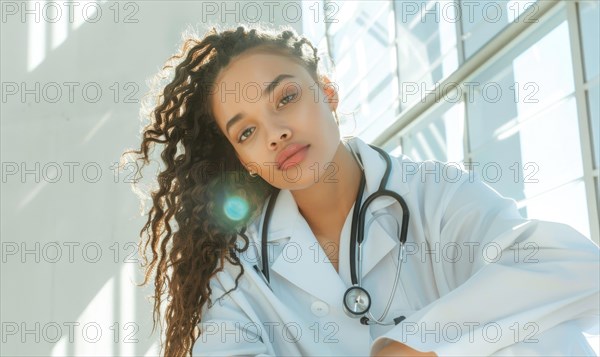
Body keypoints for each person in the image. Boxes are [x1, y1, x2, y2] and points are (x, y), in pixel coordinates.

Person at [125, 25, 600, 356]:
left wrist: (412, 345)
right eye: (246, 132)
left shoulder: (431, 194)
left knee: (541, 337)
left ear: (327, 94)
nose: (275, 134)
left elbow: (575, 266)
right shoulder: (237, 271)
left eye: (285, 98)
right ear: (244, 160)